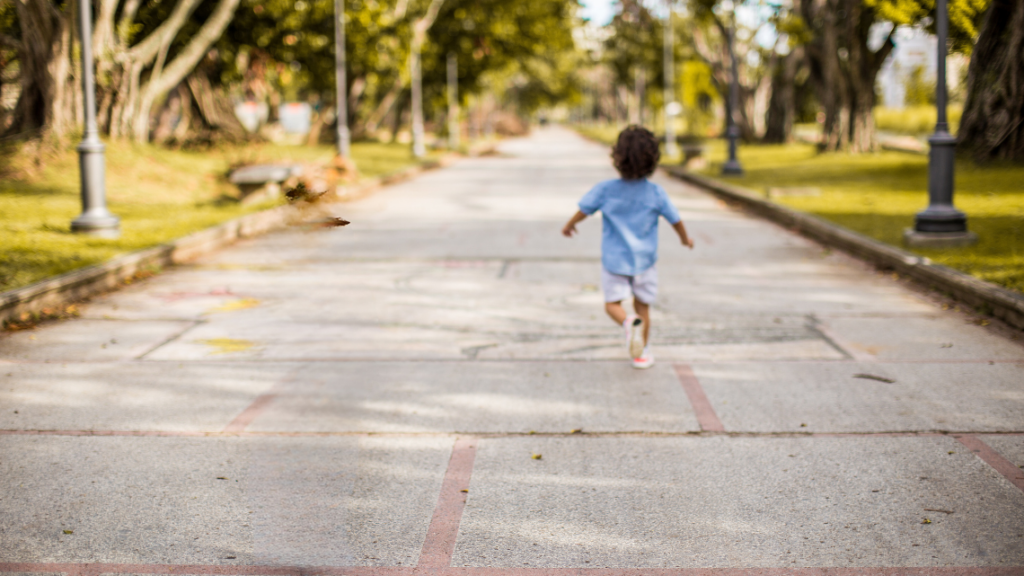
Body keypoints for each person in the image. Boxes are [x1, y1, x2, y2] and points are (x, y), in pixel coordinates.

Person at [562, 126, 694, 369]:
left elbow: (584, 210)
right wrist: (685, 239)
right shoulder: (656, 193)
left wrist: (569, 225)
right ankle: (642, 354)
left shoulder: (605, 189)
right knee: (643, 306)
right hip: (645, 262)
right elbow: (676, 220)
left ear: (617, 157)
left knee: (612, 305)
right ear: (653, 160)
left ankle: (626, 322)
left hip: (615, 262)